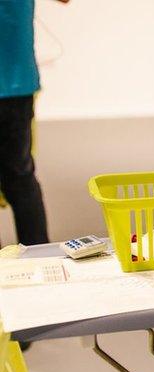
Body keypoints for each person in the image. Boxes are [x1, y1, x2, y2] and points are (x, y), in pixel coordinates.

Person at [0, 0, 66, 247]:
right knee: (21, 176)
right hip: (18, 81)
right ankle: (39, 254)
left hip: (19, 82)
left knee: (21, 176)